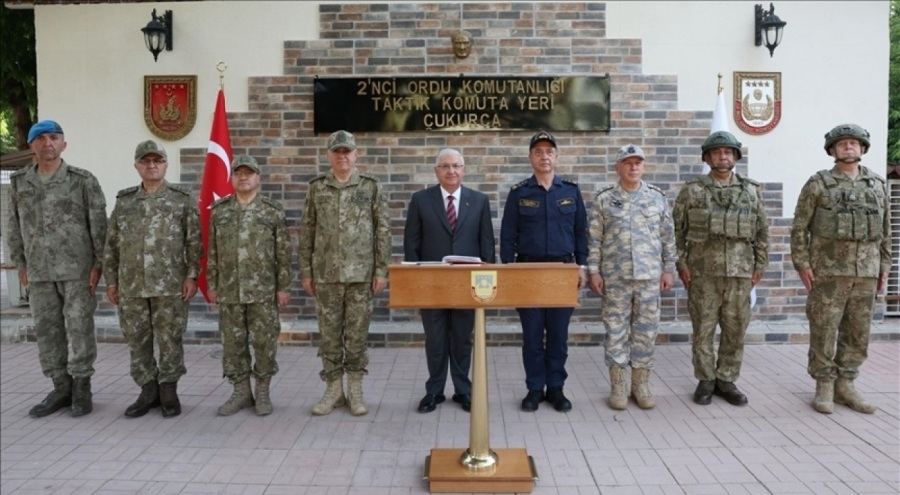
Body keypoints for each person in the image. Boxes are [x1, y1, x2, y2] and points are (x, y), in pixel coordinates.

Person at [6, 120, 107, 418]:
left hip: (77, 269)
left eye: (54, 137)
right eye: (40, 138)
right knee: (48, 331)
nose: (47, 143)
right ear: (31, 146)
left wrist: (99, 264)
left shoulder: (82, 180)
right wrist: (21, 264)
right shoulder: (19, 182)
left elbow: (99, 225)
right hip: (38, 271)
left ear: (64, 144)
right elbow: (13, 226)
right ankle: (60, 387)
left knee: (78, 329)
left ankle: (82, 388)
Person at [790, 124, 890, 415]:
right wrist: (803, 264)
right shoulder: (818, 184)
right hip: (828, 273)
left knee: (858, 332)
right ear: (832, 150)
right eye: (843, 143)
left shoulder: (878, 185)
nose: (849, 147)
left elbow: (886, 231)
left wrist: (885, 266)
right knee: (824, 328)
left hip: (866, 272)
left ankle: (846, 384)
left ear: (863, 149)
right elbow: (799, 228)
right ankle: (823, 384)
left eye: (854, 143)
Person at [103, 140, 201, 418]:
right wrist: (112, 281)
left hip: (169, 284)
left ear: (166, 164)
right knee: (137, 339)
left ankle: (168, 389)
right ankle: (147, 389)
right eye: (145, 161)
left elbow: (194, 242)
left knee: (170, 338)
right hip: (132, 285)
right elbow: (111, 244)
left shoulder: (181, 199)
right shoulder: (125, 201)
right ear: (137, 166)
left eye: (157, 160)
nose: (152, 165)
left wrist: (191, 275)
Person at [672, 131, 769, 406]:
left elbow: (762, 231)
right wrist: (681, 264)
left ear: (736, 157)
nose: (723, 156)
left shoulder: (751, 191)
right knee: (703, 329)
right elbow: (676, 232)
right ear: (707, 157)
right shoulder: (692, 191)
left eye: (728, 152)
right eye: (717, 152)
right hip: (702, 273)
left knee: (735, 328)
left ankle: (726, 379)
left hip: (741, 273)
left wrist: (760, 264)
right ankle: (705, 379)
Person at [299, 130, 391, 417]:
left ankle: (355, 388)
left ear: (355, 154)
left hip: (361, 275)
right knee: (328, 335)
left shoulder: (370, 187)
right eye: (337, 151)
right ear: (329, 155)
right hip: (326, 275)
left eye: (347, 151)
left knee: (357, 335)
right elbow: (307, 232)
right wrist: (306, 271)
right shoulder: (317, 188)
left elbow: (383, 231)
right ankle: (333, 389)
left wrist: (381, 269)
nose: (342, 156)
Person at [500, 130, 588, 413]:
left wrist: (582, 266)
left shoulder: (571, 192)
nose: (544, 156)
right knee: (533, 336)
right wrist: (509, 271)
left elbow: (580, 233)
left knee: (559, 337)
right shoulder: (519, 193)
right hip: (528, 271)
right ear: (530, 158)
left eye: (549, 151)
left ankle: (556, 389)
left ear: (557, 157)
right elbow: (507, 234)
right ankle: (535, 389)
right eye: (538, 152)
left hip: (563, 271)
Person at [403, 148, 496, 414]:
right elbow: (412, 242)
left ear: (464, 169)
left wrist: (486, 282)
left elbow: (486, 243)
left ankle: (463, 390)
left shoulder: (478, 200)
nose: (451, 171)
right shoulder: (421, 200)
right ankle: (434, 391)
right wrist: (414, 281)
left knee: (462, 338)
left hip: (467, 284)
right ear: (436, 171)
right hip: (432, 283)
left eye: (456, 166)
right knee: (435, 338)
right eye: (445, 166)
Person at [587, 145, 676, 410]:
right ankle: (618, 385)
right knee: (615, 331)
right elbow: (594, 238)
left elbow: (667, 236)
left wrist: (669, 267)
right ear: (618, 167)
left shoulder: (657, 198)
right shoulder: (604, 199)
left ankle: (641, 384)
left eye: (638, 162)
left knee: (646, 332)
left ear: (644, 167)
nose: (633, 167)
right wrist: (594, 270)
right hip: (615, 277)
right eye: (628, 162)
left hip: (649, 277)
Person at [207, 155, 292, 417]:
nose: (243, 177)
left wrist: (283, 287)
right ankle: (241, 392)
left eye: (249, 173)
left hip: (263, 291)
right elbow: (213, 252)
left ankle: (263, 391)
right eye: (238, 173)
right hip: (231, 290)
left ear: (259, 178)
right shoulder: (220, 211)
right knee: (233, 343)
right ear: (232, 178)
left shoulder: (272, 211)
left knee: (265, 342)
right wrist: (212, 282)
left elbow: (283, 253)